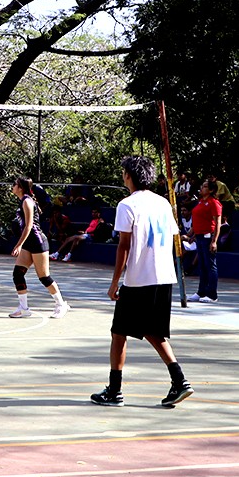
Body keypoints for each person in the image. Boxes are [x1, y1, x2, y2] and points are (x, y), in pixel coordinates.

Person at [91, 156, 193, 408]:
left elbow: (124, 245)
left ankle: (114, 392)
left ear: (129, 176)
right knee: (152, 331)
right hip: (163, 276)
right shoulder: (163, 203)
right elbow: (172, 237)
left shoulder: (127, 205)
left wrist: (115, 281)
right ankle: (179, 381)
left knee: (118, 333)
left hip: (139, 279)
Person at [7, 177, 70, 318]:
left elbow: (29, 226)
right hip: (29, 243)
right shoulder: (23, 200)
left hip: (37, 242)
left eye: (14, 184)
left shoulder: (27, 201)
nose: (12, 186)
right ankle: (24, 308)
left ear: (21, 187)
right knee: (18, 274)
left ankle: (61, 305)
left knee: (44, 277)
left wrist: (18, 245)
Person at [187, 179, 222, 302]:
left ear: (211, 190)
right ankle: (201, 292)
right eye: (202, 186)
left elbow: (217, 223)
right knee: (202, 265)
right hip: (200, 237)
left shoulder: (214, 203)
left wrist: (214, 241)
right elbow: (198, 221)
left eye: (205, 186)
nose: (202, 188)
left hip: (208, 237)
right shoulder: (201, 202)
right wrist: (192, 235)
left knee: (210, 265)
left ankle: (212, 294)